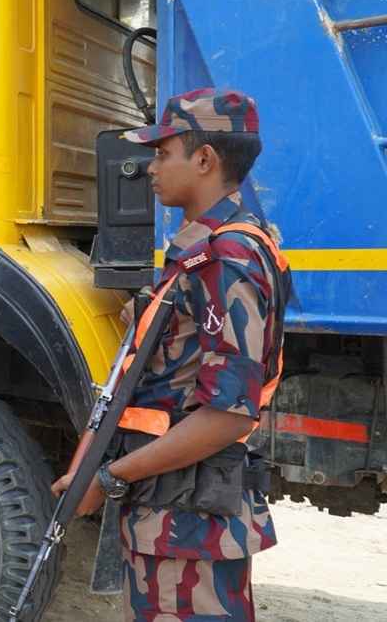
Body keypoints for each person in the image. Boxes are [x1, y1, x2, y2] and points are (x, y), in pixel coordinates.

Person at [55, 88, 291, 621]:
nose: (151, 165)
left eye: (164, 152)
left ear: (204, 159)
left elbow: (226, 416)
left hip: (190, 528)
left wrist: (111, 476)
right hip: (175, 517)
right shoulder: (208, 249)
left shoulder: (226, 257)